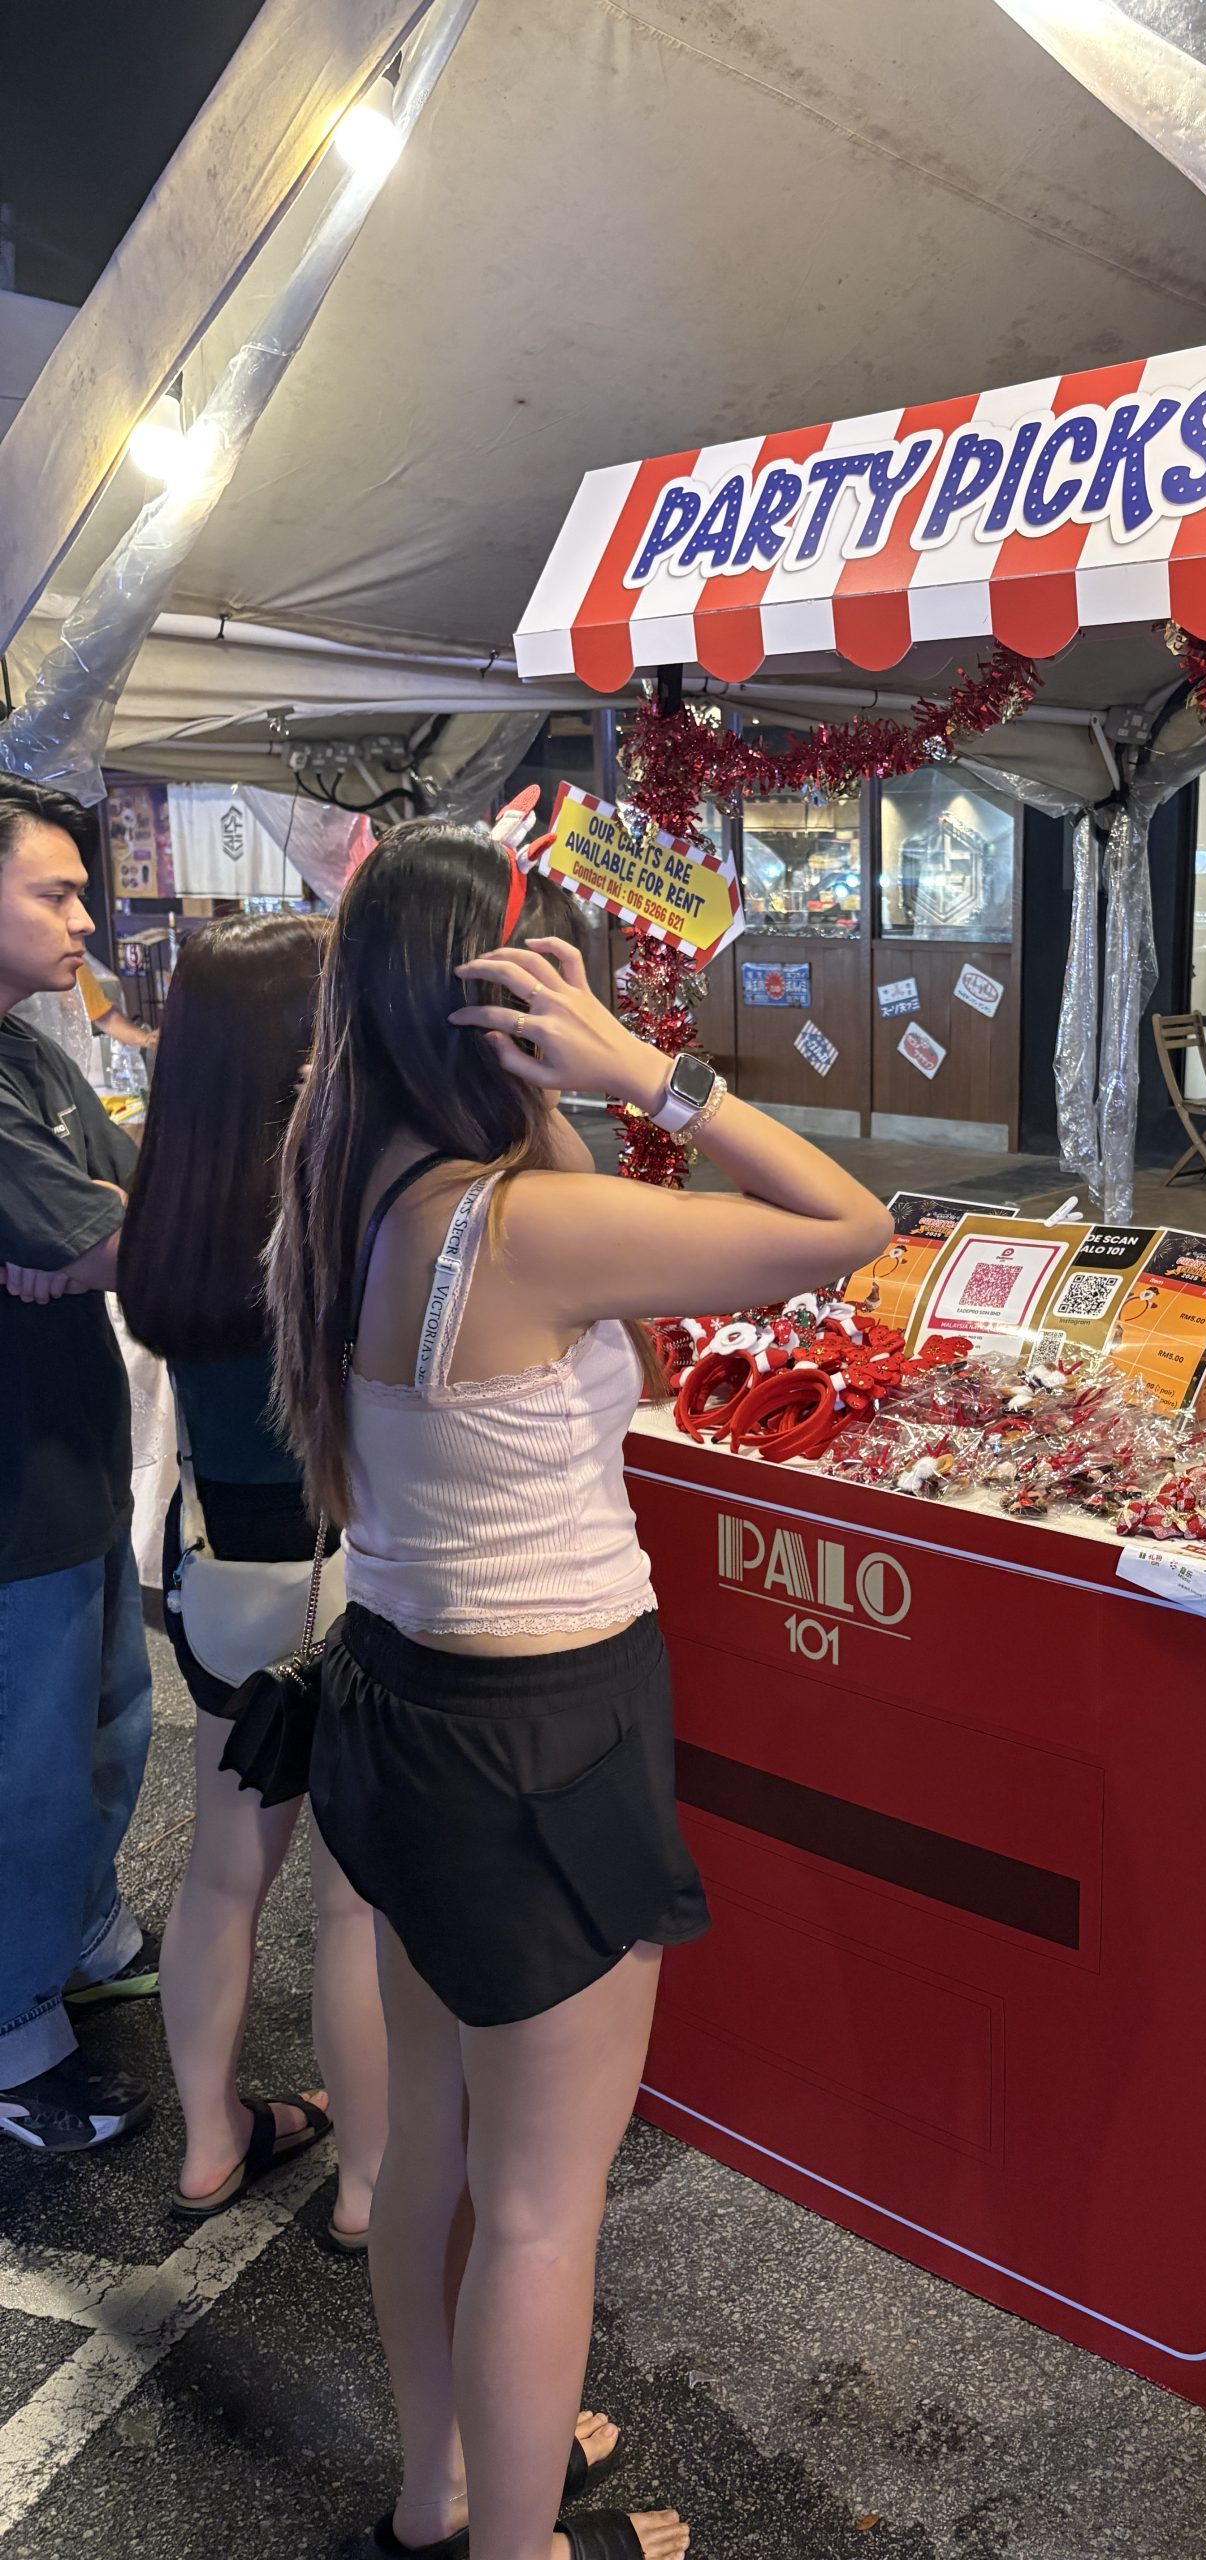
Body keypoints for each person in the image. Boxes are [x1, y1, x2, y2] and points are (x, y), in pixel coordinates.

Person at [268, 820, 891, 2560]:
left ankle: (447, 2489)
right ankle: (517, 2544)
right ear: (495, 1007)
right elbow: (846, 1223)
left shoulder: (349, 1183)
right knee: (543, 2207)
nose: (586, 1003)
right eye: (553, 979)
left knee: (438, 2146)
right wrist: (652, 1074)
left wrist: (556, 1083)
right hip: (540, 1740)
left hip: (401, 1707)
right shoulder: (526, 1227)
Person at [117, 911, 387, 2248]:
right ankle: (371, 2185)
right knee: (353, 1896)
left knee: (223, 1874)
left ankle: (210, 2141)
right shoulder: (336, 1196)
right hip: (339, 1573)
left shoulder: (169, 1190)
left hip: (214, 1568)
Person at [0, 777, 156, 2153]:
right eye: (53, 891)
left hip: (78, 1459)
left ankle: (80, 1930)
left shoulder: (33, 1055)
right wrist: (97, 1232)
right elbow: (103, 1239)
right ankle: (14, 2036)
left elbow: (130, 1198)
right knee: (28, 1771)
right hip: (12, 1494)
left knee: (110, 1720)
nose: (86, 917)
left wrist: (100, 1228)